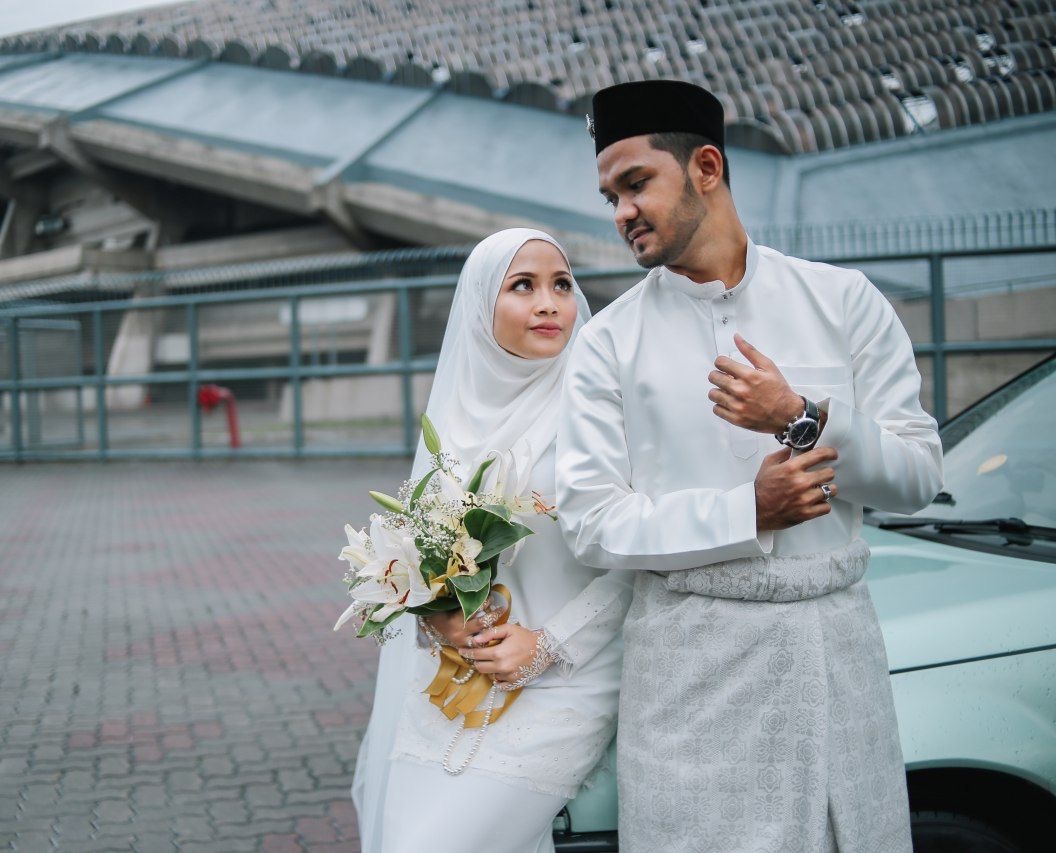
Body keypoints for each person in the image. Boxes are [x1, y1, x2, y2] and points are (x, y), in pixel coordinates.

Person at [556, 80, 943, 853]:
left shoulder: (844, 300)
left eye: (636, 183)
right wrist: (749, 511)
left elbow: (917, 474)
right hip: (689, 677)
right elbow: (590, 522)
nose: (622, 211)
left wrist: (802, 415)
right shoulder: (607, 344)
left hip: (833, 657)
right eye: (611, 196)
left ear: (706, 167)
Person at [351, 228, 634, 853]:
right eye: (522, 286)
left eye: (562, 285)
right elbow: (429, 560)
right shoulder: (453, 418)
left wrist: (547, 645)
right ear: (482, 305)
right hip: (457, 677)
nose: (549, 303)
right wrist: (439, 620)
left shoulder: (601, 410)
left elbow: (638, 557)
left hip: (572, 674)